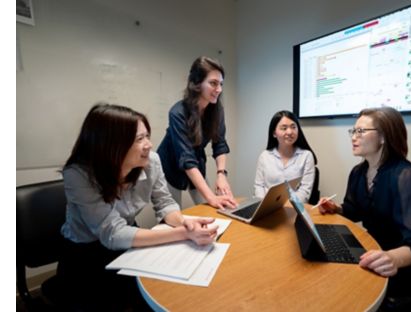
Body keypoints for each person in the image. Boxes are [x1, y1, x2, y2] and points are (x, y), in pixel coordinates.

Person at [57, 103, 218, 311]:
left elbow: (165, 202)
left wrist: (185, 223)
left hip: (128, 240)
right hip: (85, 256)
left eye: (147, 136)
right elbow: (112, 233)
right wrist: (183, 234)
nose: (149, 145)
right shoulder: (78, 174)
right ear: (111, 144)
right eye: (139, 139)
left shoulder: (152, 161)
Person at [317, 106, 411, 300]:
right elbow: (355, 210)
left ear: (384, 136)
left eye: (361, 131)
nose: (353, 137)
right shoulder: (358, 172)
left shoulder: (406, 176)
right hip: (374, 250)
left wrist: (393, 258)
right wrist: (337, 208)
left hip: (404, 262)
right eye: (353, 131)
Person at [157, 56, 237, 210]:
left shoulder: (217, 110)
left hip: (195, 163)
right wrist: (211, 198)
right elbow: (186, 159)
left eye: (221, 84)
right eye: (213, 83)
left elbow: (219, 143)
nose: (219, 89)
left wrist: (221, 174)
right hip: (169, 166)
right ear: (197, 84)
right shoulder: (177, 113)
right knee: (173, 215)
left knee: (213, 209)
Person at [254, 110, 317, 203]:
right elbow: (259, 186)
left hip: (295, 210)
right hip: (266, 209)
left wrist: (286, 207)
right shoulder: (265, 156)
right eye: (284, 128)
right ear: (274, 133)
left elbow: (304, 191)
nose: (290, 132)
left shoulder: (306, 156)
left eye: (293, 127)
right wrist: (264, 206)